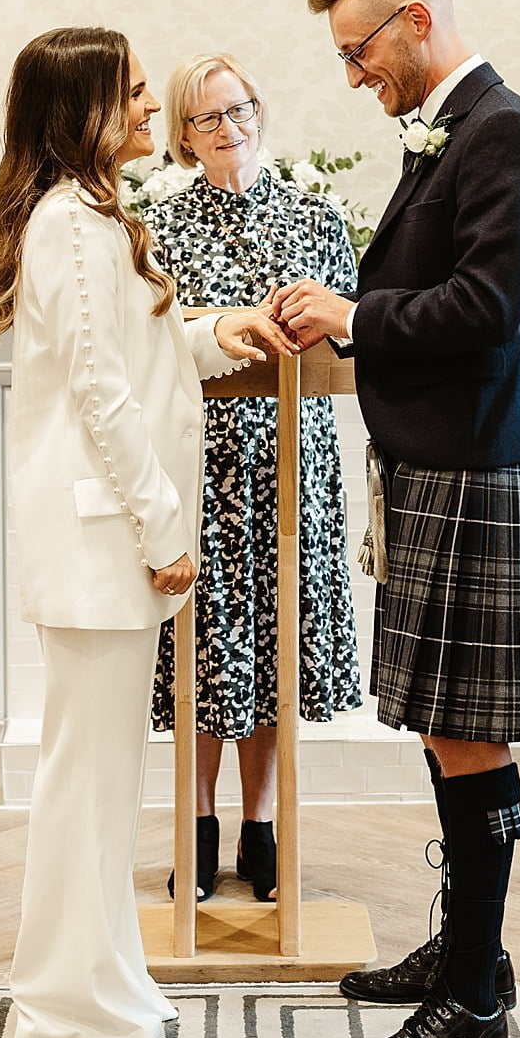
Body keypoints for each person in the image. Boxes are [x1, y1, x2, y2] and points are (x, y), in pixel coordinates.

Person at [274, 0, 520, 1038]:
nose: (354, 78)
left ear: (415, 19)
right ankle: (464, 952)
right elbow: (433, 286)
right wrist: (349, 306)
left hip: (477, 463)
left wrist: (355, 317)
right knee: (447, 722)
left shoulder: (505, 132)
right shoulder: (454, 131)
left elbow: (487, 310)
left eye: (358, 52)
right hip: (437, 465)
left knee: (466, 728)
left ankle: (473, 1001)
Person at [0, 26, 292, 1038]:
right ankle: (66, 999)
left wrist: (218, 332)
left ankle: (99, 977)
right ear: (83, 112)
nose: (152, 112)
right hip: (101, 536)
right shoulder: (71, 222)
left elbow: (138, 349)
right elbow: (98, 387)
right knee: (87, 779)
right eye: (133, 97)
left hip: (104, 536)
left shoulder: (88, 215)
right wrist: (166, 526)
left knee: (105, 779)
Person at [142, 51, 362, 903]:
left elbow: (342, 331)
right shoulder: (160, 233)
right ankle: (194, 826)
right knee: (201, 651)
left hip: (293, 465)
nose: (229, 129)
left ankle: (260, 827)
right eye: (207, 119)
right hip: (201, 466)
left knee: (273, 649)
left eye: (241, 110)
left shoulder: (318, 218)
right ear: (184, 137)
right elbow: (157, 344)